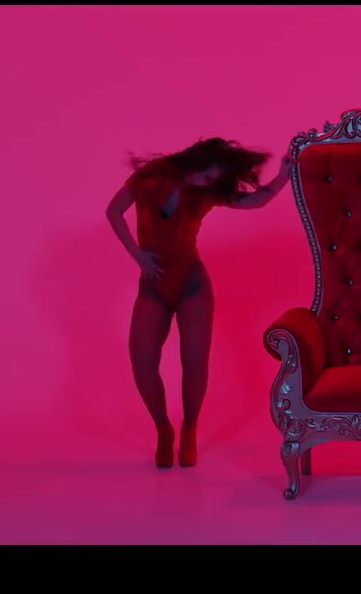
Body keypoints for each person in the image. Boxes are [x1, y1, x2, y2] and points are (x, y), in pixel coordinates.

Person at [106, 137, 292, 468]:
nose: (209, 182)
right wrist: (138, 256)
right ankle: (164, 429)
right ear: (197, 162)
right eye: (208, 174)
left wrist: (283, 176)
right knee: (142, 361)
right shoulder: (151, 177)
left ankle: (189, 428)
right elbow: (114, 211)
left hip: (192, 286)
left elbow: (254, 201)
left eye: (215, 179)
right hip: (154, 287)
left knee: (194, 361)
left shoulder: (208, 192)